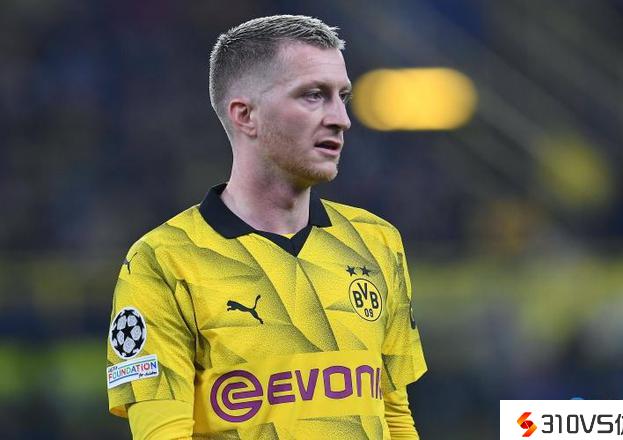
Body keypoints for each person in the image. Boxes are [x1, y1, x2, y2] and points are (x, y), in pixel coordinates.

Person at [106, 15, 427, 439]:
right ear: (245, 116)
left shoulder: (376, 241)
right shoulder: (163, 261)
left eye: (342, 97)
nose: (341, 119)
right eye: (314, 95)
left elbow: (394, 415)